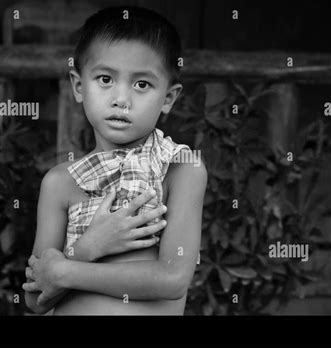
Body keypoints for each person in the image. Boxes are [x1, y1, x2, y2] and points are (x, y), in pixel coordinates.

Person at [22, 6, 207, 315]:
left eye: (142, 84)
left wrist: (67, 271)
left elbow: (172, 279)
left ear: (169, 98)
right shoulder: (60, 182)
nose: (122, 98)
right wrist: (86, 249)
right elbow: (35, 298)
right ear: (79, 87)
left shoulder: (180, 168)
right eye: (105, 79)